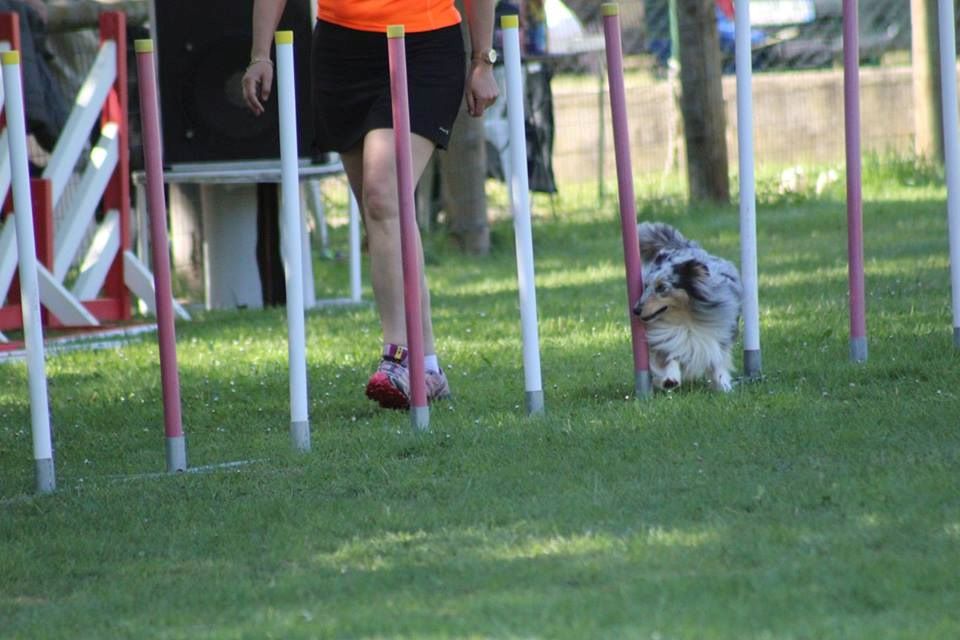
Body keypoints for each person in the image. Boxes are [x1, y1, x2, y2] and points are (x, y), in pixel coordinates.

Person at [242, 0, 499, 409]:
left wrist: (483, 59)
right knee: (384, 215)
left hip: (423, 46)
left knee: (383, 196)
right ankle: (428, 366)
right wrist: (260, 53)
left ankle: (397, 356)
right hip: (341, 52)